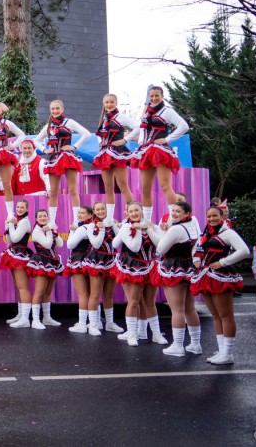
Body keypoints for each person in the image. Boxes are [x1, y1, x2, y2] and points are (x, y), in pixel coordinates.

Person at [191, 206, 250, 364]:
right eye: (209, 216)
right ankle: (222, 350)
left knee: (226, 315)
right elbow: (196, 250)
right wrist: (196, 260)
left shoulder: (228, 233)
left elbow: (244, 251)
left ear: (222, 216)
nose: (211, 219)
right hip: (205, 275)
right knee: (215, 315)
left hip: (221, 276)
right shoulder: (205, 233)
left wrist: (223, 262)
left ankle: (228, 353)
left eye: (215, 216)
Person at [130, 85, 190, 224]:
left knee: (165, 185)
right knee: (145, 188)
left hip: (160, 151)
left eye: (157, 95)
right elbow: (142, 129)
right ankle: (146, 221)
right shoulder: (146, 112)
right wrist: (141, 141)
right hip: (145, 150)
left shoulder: (167, 111)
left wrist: (167, 139)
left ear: (162, 96)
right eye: (151, 96)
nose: (154, 98)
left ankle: (174, 219)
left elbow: (184, 126)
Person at [151, 201, 202, 357]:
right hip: (188, 267)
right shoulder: (193, 225)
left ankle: (178, 345)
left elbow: (160, 248)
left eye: (178, 211)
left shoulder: (176, 228)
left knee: (177, 310)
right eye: (173, 211)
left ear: (187, 214)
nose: (174, 214)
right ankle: (195, 344)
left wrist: (155, 230)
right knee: (189, 308)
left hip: (174, 267)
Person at [111, 201, 162, 347]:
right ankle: (132, 334)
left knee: (150, 302)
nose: (134, 213)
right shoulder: (127, 226)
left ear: (142, 211)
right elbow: (134, 247)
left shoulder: (151, 225)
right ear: (127, 213)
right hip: (132, 267)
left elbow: (160, 244)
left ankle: (154, 334)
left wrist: (149, 229)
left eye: (136, 210)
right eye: (131, 211)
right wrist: (138, 230)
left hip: (150, 265)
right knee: (133, 301)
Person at [33, 100, 90, 229]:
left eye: (57, 108)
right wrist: (44, 150)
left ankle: (77, 220)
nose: (55, 111)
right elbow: (36, 140)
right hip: (53, 157)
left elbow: (86, 133)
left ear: (62, 109)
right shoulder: (48, 125)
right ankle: (52, 222)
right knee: (53, 192)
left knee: (73, 190)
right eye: (52, 109)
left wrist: (74, 146)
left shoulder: (69, 122)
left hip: (67, 156)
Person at [91, 94, 140, 219]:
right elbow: (98, 132)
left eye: (111, 102)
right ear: (103, 103)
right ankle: (109, 218)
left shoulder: (121, 117)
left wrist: (125, 140)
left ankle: (133, 215)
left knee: (123, 185)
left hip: (118, 153)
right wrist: (100, 142)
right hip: (105, 153)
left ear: (116, 103)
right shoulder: (104, 118)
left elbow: (138, 127)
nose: (109, 104)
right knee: (108, 187)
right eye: (106, 102)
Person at [83, 201, 123, 334]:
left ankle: (110, 323)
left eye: (103, 209)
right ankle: (93, 324)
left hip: (111, 259)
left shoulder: (111, 223)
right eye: (98, 210)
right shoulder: (91, 226)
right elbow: (96, 243)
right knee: (95, 294)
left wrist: (114, 225)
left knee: (109, 294)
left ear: (107, 210)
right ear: (94, 212)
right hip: (97, 260)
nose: (100, 212)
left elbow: (119, 240)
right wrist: (100, 229)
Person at [26, 209, 63, 329]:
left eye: (45, 216)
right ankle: (35, 320)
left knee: (48, 292)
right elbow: (47, 244)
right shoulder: (36, 231)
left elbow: (60, 244)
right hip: (41, 261)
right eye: (40, 216)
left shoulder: (49, 229)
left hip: (53, 262)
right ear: (36, 219)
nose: (43, 218)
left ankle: (47, 318)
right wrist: (50, 232)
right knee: (39, 291)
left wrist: (53, 231)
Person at [1, 199, 33, 328]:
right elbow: (9, 240)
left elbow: (15, 238)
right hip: (14, 252)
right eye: (18, 207)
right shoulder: (18, 221)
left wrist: (10, 225)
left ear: (27, 209)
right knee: (18, 286)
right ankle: (21, 315)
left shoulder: (24, 222)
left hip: (21, 254)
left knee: (23, 286)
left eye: (22, 207)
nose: (19, 209)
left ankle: (25, 318)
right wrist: (8, 226)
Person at [66, 206, 95, 335]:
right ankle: (93, 322)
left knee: (83, 293)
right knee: (88, 292)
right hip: (87, 259)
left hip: (78, 259)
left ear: (90, 215)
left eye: (83, 213)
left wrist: (72, 231)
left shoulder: (83, 228)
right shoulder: (90, 226)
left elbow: (70, 245)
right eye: (79, 213)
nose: (79, 215)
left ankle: (82, 324)